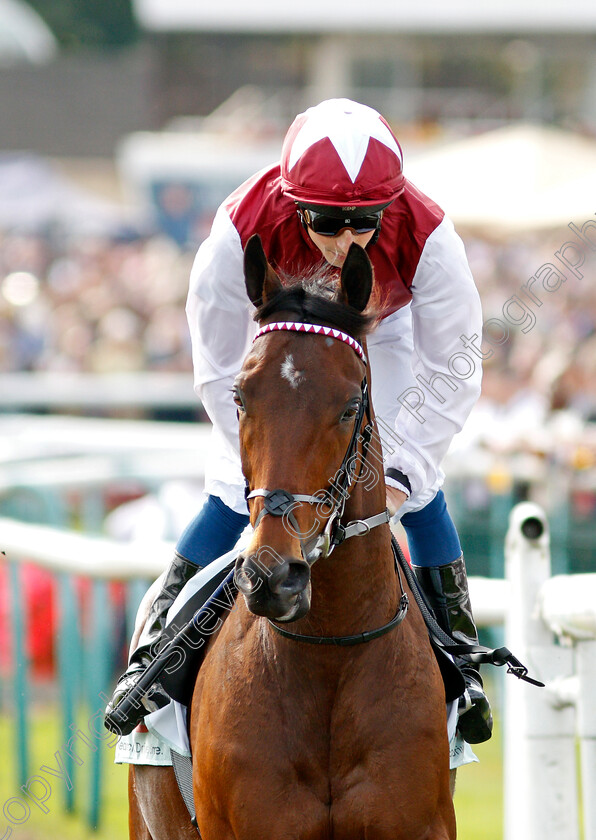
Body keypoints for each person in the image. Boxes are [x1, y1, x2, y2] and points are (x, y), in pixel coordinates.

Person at [106, 98, 492, 743]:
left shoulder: (432, 236)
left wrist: (403, 471)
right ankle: (154, 656)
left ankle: (461, 657)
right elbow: (217, 365)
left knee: (418, 488)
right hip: (277, 336)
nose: (348, 240)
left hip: (384, 333)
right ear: (292, 204)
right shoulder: (238, 228)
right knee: (235, 485)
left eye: (366, 222)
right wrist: (258, 462)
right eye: (328, 221)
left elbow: (457, 363)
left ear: (389, 205)